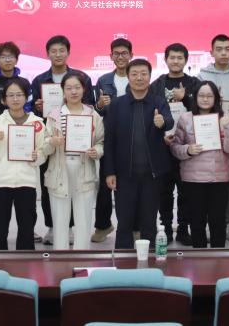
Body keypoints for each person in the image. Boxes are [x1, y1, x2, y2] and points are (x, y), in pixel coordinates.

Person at [103, 58, 174, 250]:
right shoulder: (117, 105)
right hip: (124, 175)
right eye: (134, 74)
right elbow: (109, 141)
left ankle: (149, 261)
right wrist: (109, 172)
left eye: (144, 74)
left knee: (149, 221)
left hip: (152, 174)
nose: (139, 78)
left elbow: (169, 121)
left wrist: (162, 122)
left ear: (150, 77)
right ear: (128, 77)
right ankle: (123, 261)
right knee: (124, 222)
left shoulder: (158, 101)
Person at [31, 35, 94, 244]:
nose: (58, 54)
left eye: (62, 50)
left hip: (80, 145)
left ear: (68, 52)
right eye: (53, 51)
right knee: (51, 185)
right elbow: (33, 110)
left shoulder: (82, 77)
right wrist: (38, 107)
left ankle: (73, 228)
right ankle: (53, 227)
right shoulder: (39, 80)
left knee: (79, 190)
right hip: (52, 138)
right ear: (47, 54)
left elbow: (90, 106)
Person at [169, 80, 229, 248]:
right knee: (196, 222)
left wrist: (228, 127)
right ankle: (199, 257)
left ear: (216, 98)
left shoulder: (224, 119)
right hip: (193, 179)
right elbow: (175, 147)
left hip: (219, 178)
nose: (205, 99)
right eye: (201, 95)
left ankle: (218, 257)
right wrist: (188, 150)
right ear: (195, 97)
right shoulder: (185, 118)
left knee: (218, 221)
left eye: (209, 96)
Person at [42, 73, 104, 250]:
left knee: (83, 219)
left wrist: (96, 151)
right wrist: (52, 142)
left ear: (84, 89)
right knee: (60, 220)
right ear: (63, 91)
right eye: (69, 88)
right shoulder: (54, 115)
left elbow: (100, 142)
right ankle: (60, 257)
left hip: (84, 170)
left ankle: (82, 257)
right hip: (59, 171)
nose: (73, 91)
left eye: (77, 87)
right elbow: (44, 146)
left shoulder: (93, 115)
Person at [0, 79, 46, 250]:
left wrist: (36, 156)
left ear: (26, 97)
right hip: (1, 182)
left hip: (27, 182)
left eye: (19, 95)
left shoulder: (37, 122)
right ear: (4, 100)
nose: (15, 99)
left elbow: (43, 154)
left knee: (26, 231)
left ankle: (25, 264)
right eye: (11, 95)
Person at [199, 34, 229, 244]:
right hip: (207, 138)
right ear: (211, 52)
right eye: (219, 49)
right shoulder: (201, 76)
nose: (223, 53)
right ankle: (208, 225)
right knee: (207, 184)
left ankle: (228, 224)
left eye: (227, 49)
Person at [151, 42, 199, 245]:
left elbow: (202, 109)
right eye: (172, 57)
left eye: (180, 58)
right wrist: (160, 135)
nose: (176, 61)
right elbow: (151, 114)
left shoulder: (194, 83)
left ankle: (183, 228)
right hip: (163, 146)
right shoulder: (156, 85)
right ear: (165, 60)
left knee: (186, 191)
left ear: (186, 60)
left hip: (187, 146)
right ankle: (166, 228)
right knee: (164, 191)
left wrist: (185, 97)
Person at [91, 37, 132, 242]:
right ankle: (103, 225)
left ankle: (132, 227)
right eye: (116, 54)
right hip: (109, 137)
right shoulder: (103, 80)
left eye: (124, 53)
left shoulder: (138, 76)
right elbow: (95, 111)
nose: (120, 57)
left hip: (133, 138)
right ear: (111, 56)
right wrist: (99, 104)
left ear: (131, 55)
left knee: (130, 185)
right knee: (105, 184)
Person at [0, 41, 32, 121]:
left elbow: (29, 106)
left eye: (11, 56)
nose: (8, 60)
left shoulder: (24, 82)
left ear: (16, 60)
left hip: (20, 125)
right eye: (3, 57)